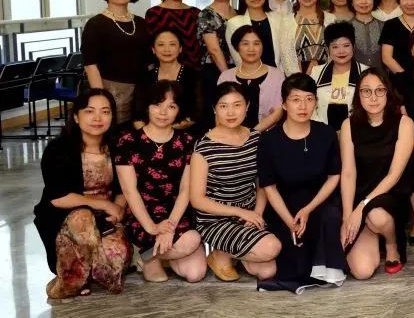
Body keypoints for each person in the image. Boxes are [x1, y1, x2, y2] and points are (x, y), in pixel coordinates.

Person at [34, 89, 131, 298]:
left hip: (104, 219)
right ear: (76, 117)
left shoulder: (118, 146)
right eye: (89, 111)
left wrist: (118, 209)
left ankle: (85, 273)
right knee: (83, 218)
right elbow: (58, 197)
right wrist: (105, 204)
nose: (97, 118)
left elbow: (124, 187)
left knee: (115, 260)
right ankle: (70, 279)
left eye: (105, 112)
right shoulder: (58, 149)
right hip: (66, 218)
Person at [257, 74, 347, 292]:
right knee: (290, 265)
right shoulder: (269, 140)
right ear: (284, 104)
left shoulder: (325, 133)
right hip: (283, 207)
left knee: (328, 217)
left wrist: (308, 209)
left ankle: (326, 269)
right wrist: (290, 221)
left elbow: (334, 177)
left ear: (316, 102)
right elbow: (269, 187)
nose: (303, 106)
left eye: (309, 99)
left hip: (318, 201)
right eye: (296, 100)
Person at [115, 81, 205, 283]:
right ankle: (149, 254)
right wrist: (153, 228)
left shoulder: (189, 141)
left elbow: (186, 190)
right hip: (143, 214)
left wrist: (169, 228)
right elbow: (130, 191)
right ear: (147, 106)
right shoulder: (127, 141)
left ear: (179, 110)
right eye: (157, 105)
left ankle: (152, 254)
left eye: (171, 106)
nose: (163, 112)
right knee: (160, 276)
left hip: (176, 213)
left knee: (195, 273)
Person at [190, 82, 281, 282]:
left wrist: (257, 213)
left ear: (247, 106)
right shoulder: (204, 147)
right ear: (214, 109)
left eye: (237, 105)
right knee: (271, 247)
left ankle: (234, 252)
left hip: (249, 213)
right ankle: (219, 252)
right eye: (223, 106)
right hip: (215, 219)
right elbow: (197, 199)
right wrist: (240, 212)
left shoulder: (256, 139)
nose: (230, 112)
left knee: (267, 272)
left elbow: (263, 183)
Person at [339, 68, 414, 278]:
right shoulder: (349, 125)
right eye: (366, 91)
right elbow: (348, 173)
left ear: (388, 93)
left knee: (376, 215)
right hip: (359, 196)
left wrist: (362, 206)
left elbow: (394, 175)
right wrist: (348, 216)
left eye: (379, 90)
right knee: (361, 271)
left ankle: (391, 244)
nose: (373, 97)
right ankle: (371, 233)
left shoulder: (404, 123)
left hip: (391, 195)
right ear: (358, 95)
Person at [82, 0, 151, 124]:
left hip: (140, 91)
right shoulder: (95, 24)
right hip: (111, 90)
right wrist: (101, 98)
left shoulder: (141, 23)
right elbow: (90, 65)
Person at [225, 0, 301, 76]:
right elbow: (237, 58)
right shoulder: (234, 23)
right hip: (248, 77)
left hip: (278, 76)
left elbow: (286, 53)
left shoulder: (279, 19)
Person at [217, 26, 285, 132]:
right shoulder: (225, 77)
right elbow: (219, 111)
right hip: (232, 135)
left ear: (263, 46)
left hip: (267, 136)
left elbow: (278, 111)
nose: (251, 49)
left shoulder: (277, 75)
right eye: (245, 44)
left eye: (256, 43)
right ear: (237, 47)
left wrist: (252, 134)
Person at [132, 28, 199, 130]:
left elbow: (197, 114)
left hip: (184, 132)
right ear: (153, 49)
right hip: (147, 133)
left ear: (180, 48)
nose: (166, 49)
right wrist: (148, 134)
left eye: (172, 44)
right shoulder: (145, 77)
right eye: (161, 44)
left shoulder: (194, 76)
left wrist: (166, 132)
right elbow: (137, 115)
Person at [198, 0, 238, 132]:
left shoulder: (238, 13)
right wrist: (227, 75)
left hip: (236, 69)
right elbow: (213, 49)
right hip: (214, 70)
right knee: (216, 112)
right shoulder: (206, 14)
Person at [309, 22, 369, 130]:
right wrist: (321, 131)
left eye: (346, 46)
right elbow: (310, 105)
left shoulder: (365, 72)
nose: (341, 51)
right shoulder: (316, 72)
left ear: (353, 47)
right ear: (328, 49)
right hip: (322, 131)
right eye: (335, 47)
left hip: (357, 131)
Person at [145, 0, 202, 68]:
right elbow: (150, 47)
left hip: (196, 71)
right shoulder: (154, 13)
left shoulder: (196, 13)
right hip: (165, 72)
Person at [293, 0, 337, 72]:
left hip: (327, 74)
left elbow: (336, 51)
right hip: (297, 77)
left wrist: (324, 73)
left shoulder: (331, 19)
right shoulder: (287, 21)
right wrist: (299, 78)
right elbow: (286, 57)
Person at [347, 0, 384, 69]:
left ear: (374, 0)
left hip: (381, 75)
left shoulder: (385, 26)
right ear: (351, 2)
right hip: (355, 75)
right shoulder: (345, 28)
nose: (363, 1)